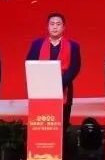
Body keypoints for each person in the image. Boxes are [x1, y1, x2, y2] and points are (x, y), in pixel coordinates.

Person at [26, 12, 81, 146]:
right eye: (52, 24)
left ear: (63, 27)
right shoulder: (37, 44)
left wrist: (57, 84)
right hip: (40, 91)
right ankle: (41, 150)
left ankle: (59, 154)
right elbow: (29, 64)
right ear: (47, 26)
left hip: (64, 90)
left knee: (61, 125)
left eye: (58, 24)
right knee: (41, 124)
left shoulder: (73, 46)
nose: (55, 27)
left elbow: (75, 68)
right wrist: (43, 83)